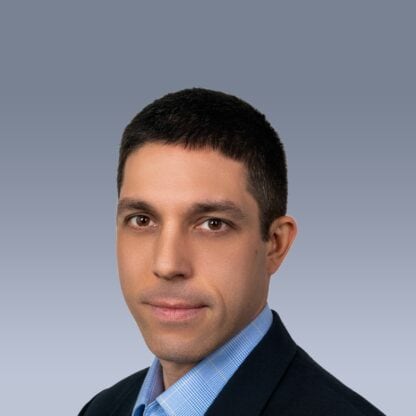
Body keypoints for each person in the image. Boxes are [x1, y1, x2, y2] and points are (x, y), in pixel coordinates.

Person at [78, 88, 385, 415]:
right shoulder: (104, 408)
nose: (167, 264)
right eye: (142, 220)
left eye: (212, 224)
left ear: (276, 245)